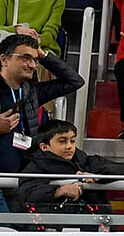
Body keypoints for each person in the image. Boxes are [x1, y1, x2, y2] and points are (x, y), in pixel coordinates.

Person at [0, 31, 84, 175]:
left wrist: (43, 55)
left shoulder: (31, 91)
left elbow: (74, 81)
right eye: (26, 58)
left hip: (25, 174)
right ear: (4, 60)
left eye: (35, 59)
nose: (32, 65)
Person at [18, 119, 124, 222]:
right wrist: (59, 191)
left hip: (95, 226)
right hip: (50, 228)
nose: (69, 146)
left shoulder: (84, 161)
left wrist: (97, 176)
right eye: (62, 141)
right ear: (44, 147)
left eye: (72, 141)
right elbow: (27, 193)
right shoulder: (34, 167)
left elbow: (122, 169)